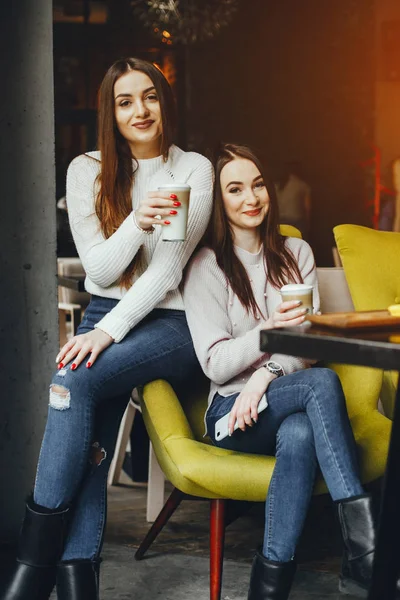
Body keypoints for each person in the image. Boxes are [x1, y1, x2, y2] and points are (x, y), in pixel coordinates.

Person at [2, 58, 213, 600]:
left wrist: (108, 332)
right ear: (110, 112)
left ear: (165, 101)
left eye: (149, 97)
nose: (139, 110)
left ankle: (30, 572)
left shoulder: (193, 169)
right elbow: (99, 269)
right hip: (106, 315)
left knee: (73, 383)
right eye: (125, 101)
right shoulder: (85, 169)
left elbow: (167, 272)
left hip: (173, 323)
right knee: (92, 441)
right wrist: (136, 218)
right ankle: (76, 586)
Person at [183, 143, 390, 600]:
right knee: (321, 384)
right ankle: (366, 549)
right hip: (229, 414)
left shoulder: (296, 252)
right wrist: (267, 332)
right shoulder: (206, 266)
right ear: (219, 202)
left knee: (299, 432)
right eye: (234, 189)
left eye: (257, 185)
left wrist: (264, 375)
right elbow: (214, 362)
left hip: (277, 397)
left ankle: (269, 587)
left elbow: (309, 348)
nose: (250, 198)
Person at [275, 161, 311, 239]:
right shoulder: (302, 185)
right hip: (292, 222)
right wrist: (308, 225)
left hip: (284, 222)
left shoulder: (276, 186)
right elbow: (307, 208)